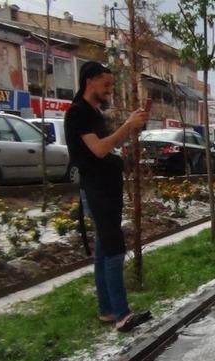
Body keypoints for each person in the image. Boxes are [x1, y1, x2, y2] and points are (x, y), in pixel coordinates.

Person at [65, 61, 151, 332]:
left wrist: (132, 128)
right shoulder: (78, 112)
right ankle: (122, 315)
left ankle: (106, 310)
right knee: (114, 248)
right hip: (97, 190)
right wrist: (127, 125)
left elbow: (108, 145)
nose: (110, 89)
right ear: (90, 80)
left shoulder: (93, 112)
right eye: (106, 84)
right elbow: (99, 150)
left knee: (104, 249)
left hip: (106, 188)